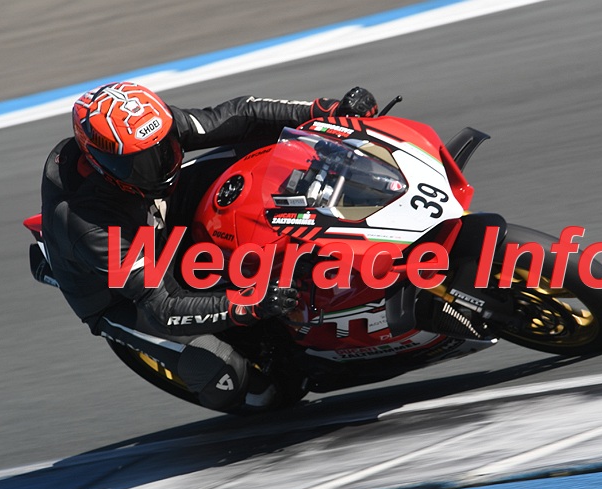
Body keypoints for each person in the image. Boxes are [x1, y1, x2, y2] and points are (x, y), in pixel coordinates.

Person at [40, 81, 378, 411]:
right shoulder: (87, 223)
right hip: (125, 295)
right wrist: (251, 304)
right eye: (139, 163)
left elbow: (240, 115)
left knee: (263, 150)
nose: (159, 164)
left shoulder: (144, 131)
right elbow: (163, 305)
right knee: (251, 386)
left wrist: (327, 111)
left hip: (154, 210)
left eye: (164, 149)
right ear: (100, 162)